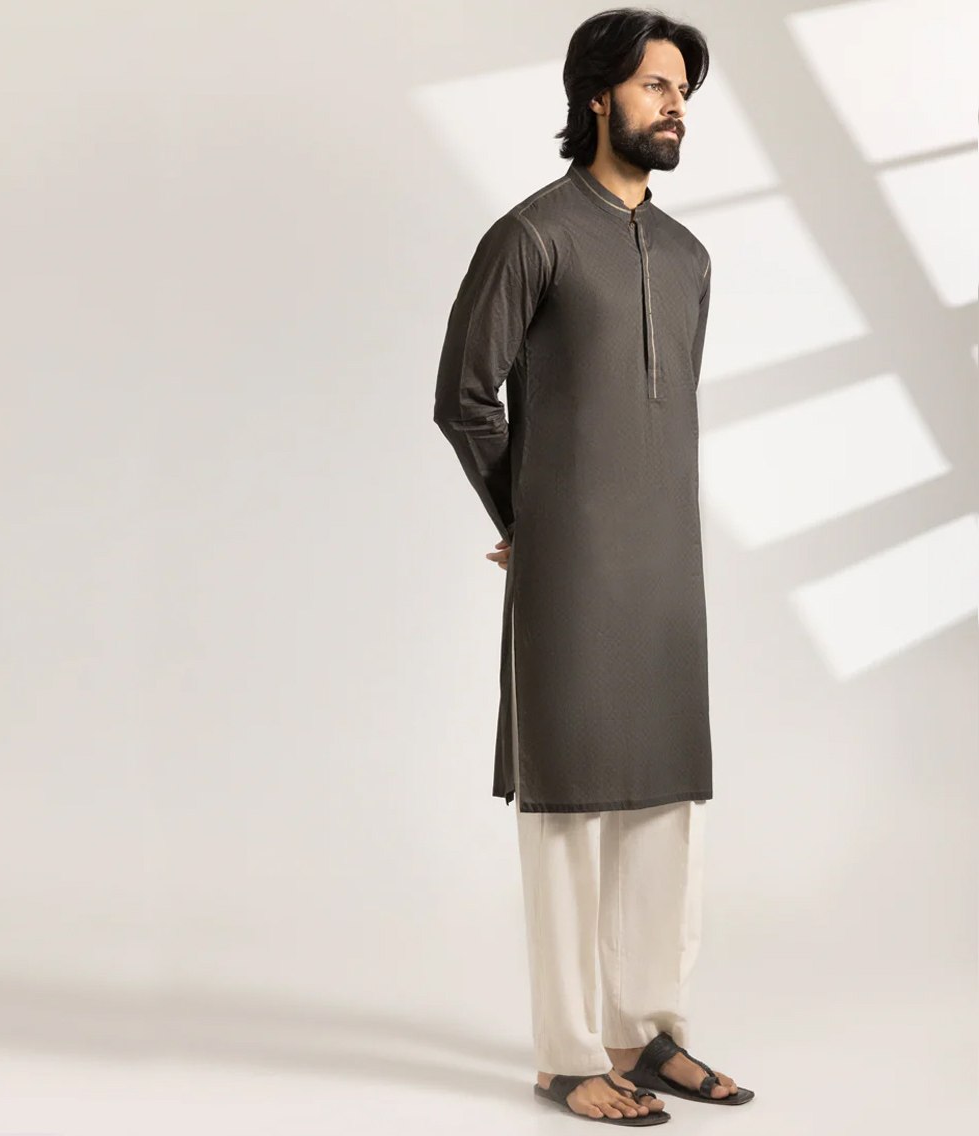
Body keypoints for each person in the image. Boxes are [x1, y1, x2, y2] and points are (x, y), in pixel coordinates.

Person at [433, 7, 755, 1124]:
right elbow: (463, 397)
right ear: (596, 98)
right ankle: (568, 1052)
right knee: (567, 805)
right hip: (569, 573)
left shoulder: (690, 257)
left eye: (683, 92)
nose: (675, 108)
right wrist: (529, 516)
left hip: (670, 568)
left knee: (668, 800)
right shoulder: (530, 236)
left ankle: (645, 1033)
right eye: (656, 86)